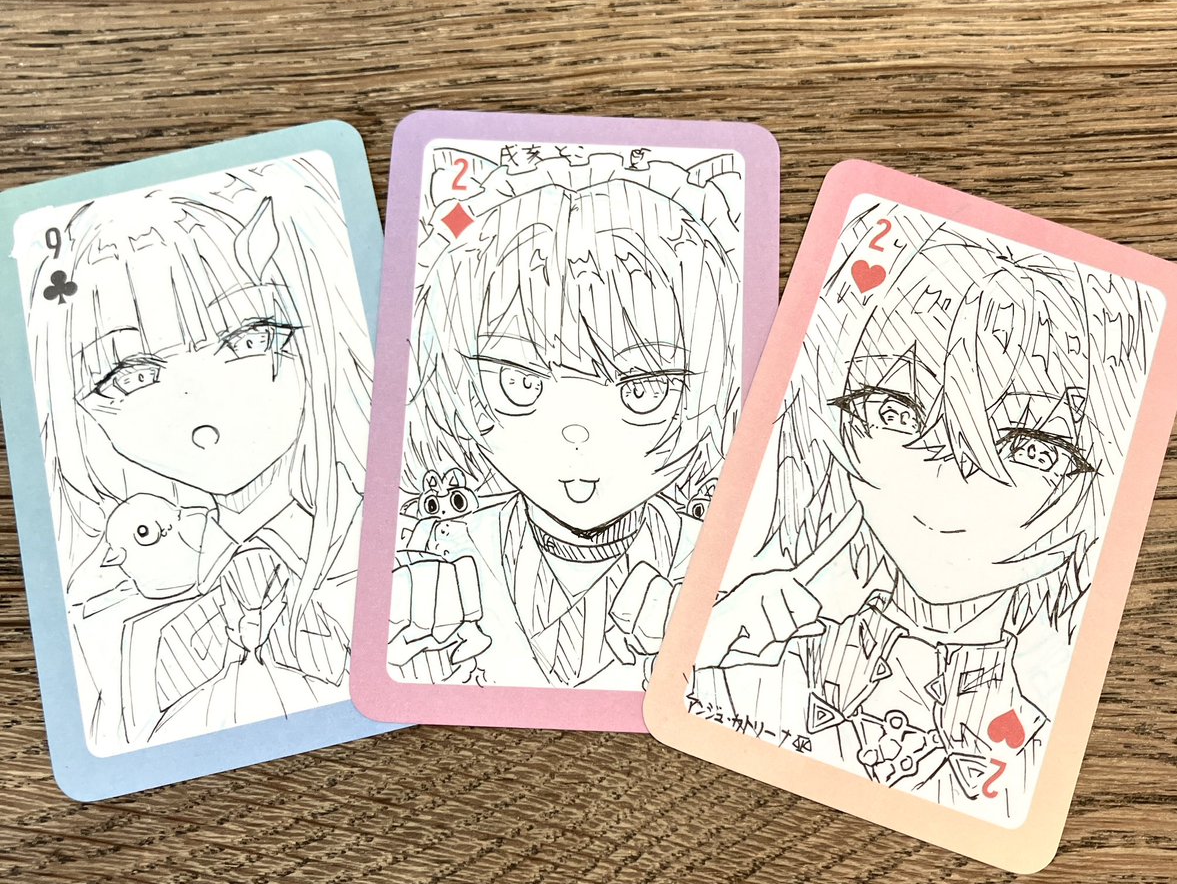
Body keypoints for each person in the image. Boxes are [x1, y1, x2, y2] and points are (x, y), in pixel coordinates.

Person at [690, 220, 1161, 820]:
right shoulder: (765, 656)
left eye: (1031, 448)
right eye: (896, 411)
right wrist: (709, 649)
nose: (947, 481)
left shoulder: (1051, 732)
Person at [26, 156, 372, 753]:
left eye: (250, 338)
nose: (204, 419)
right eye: (131, 376)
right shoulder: (104, 601)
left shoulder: (392, 538)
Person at [389, 169, 742, 690]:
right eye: (520, 383)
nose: (577, 433)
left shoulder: (717, 567)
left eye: (642, 389)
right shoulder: (444, 551)